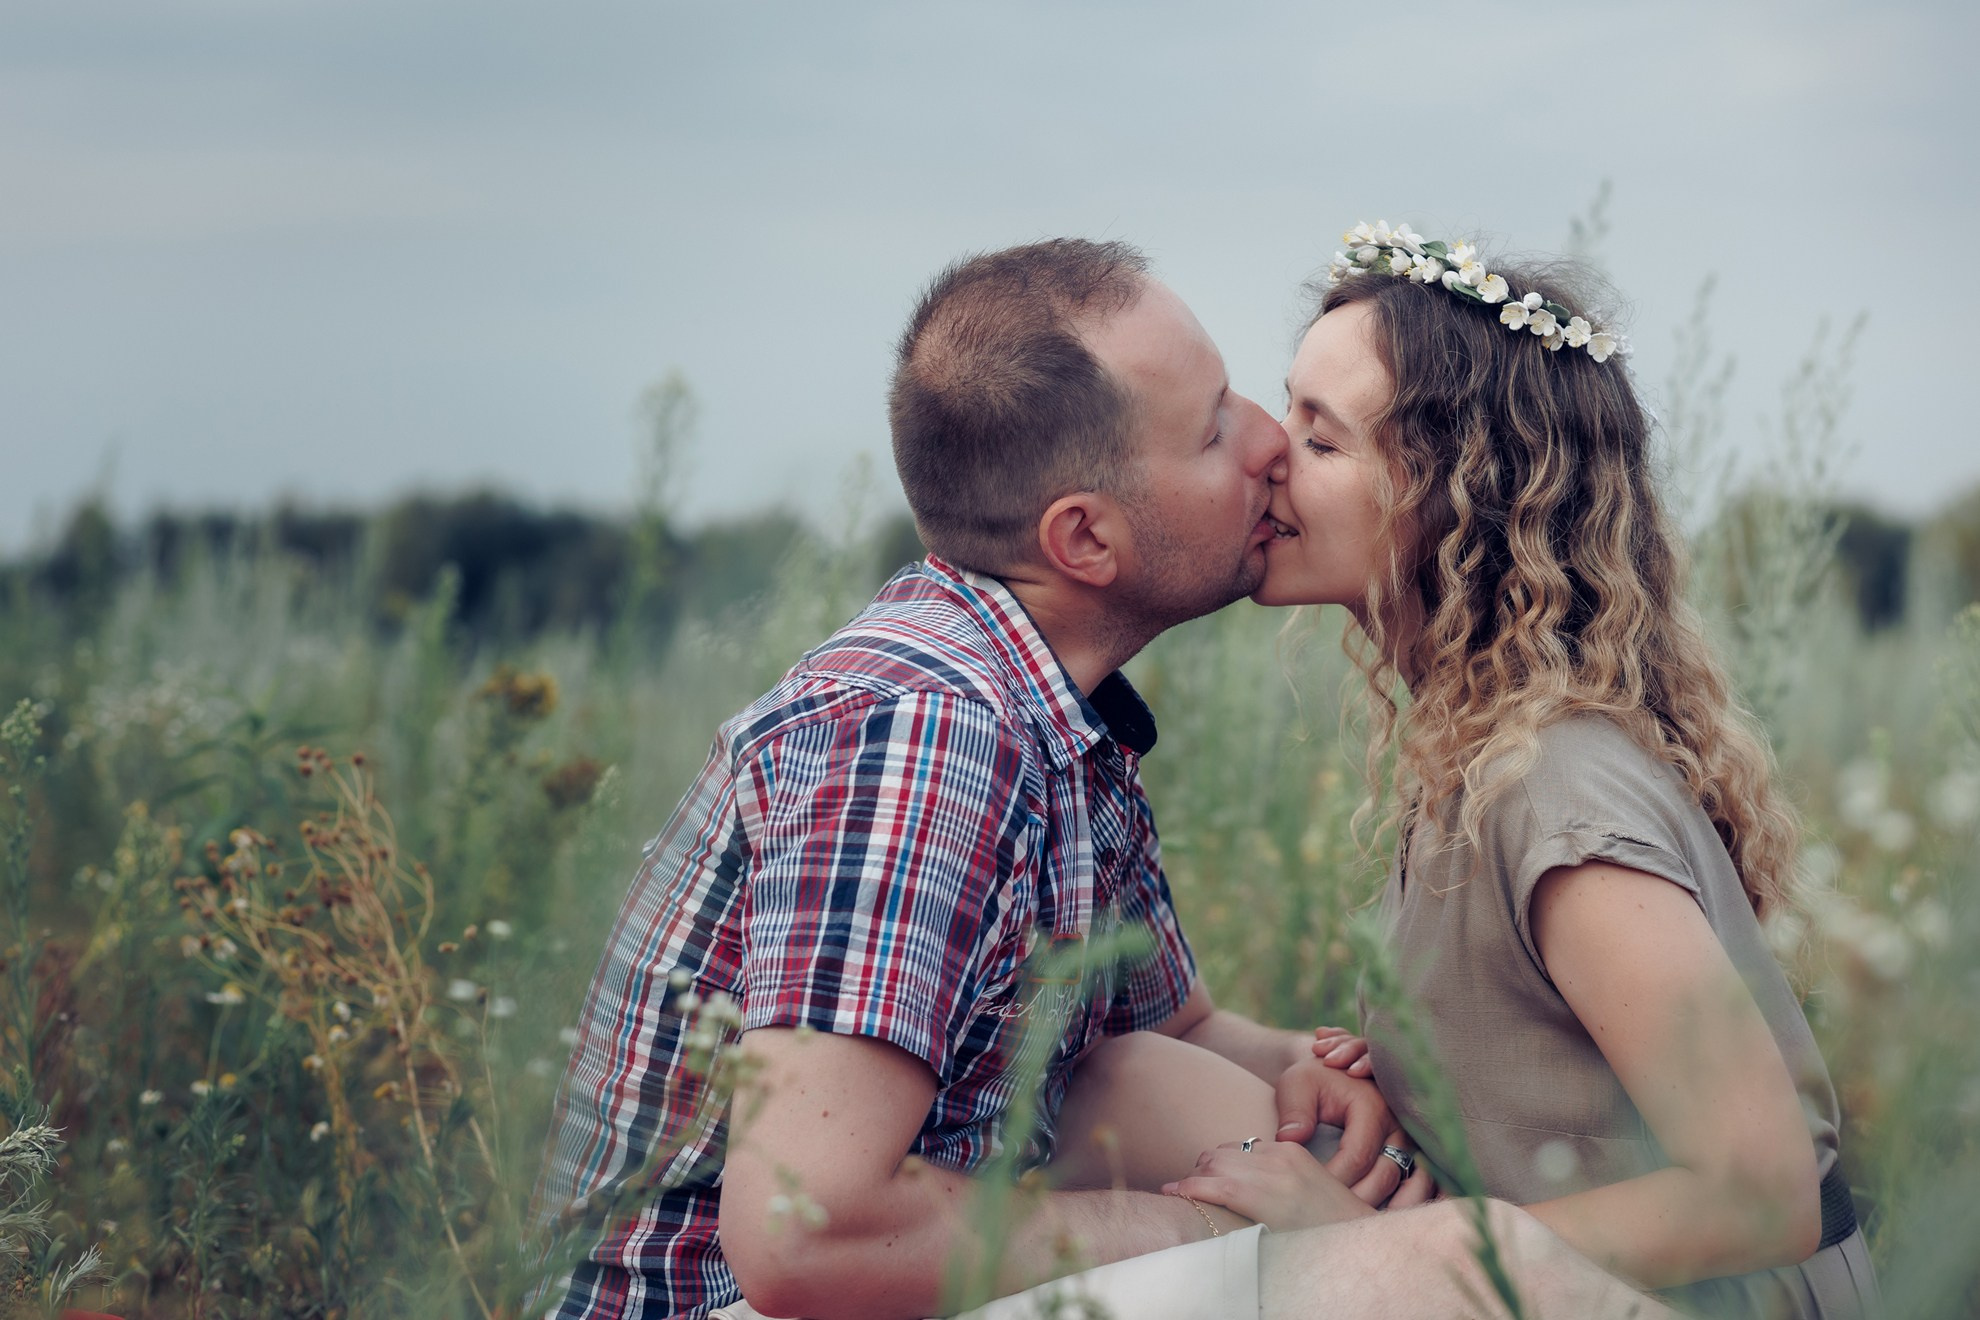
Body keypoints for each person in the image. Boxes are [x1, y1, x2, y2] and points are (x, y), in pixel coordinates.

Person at [532, 237, 1415, 1320]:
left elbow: (1166, 1036)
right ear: (1085, 536)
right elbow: (807, 1238)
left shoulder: (1048, 707)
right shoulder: (925, 732)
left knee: (1170, 1108)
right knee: (1297, 1278)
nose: (1271, 441)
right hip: (718, 1308)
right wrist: (1206, 1229)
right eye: (1215, 425)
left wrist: (1350, 1078)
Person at [1152, 223, 1881, 1317]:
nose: (1265, 454)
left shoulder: (1555, 790)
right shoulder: (1477, 746)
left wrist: (1361, 1247)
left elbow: (1761, 1192)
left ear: (1453, 498)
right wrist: (1382, 1077)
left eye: (1321, 436)